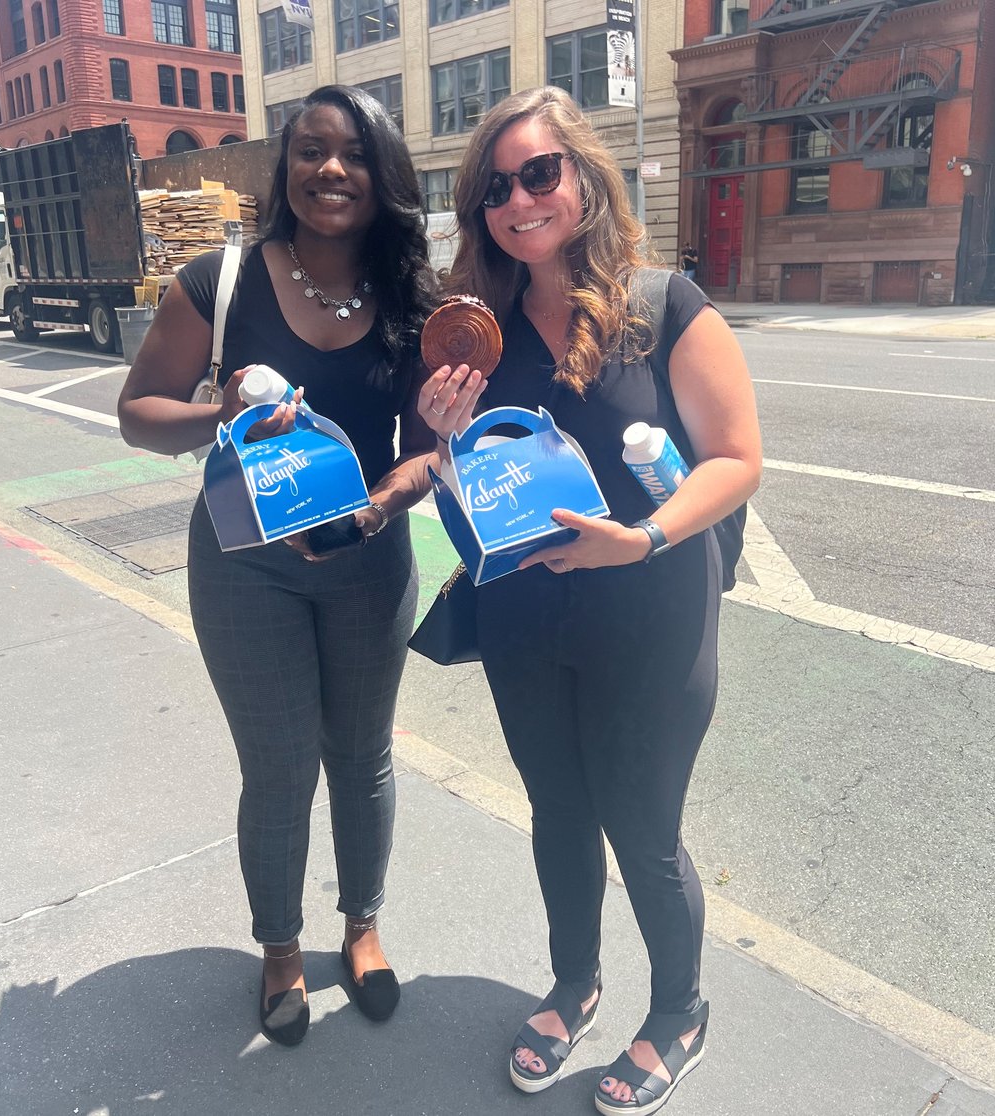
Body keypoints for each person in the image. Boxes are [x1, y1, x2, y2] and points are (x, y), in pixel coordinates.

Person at [417, 87, 761, 1114]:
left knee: (641, 826)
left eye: (539, 173)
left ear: (581, 179)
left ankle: (679, 1012)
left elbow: (738, 461)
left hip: (652, 608)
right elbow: (476, 487)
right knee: (558, 811)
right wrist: (443, 445)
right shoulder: (477, 334)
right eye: (495, 187)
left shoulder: (663, 306)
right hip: (527, 615)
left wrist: (644, 536)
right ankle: (575, 981)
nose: (519, 200)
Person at [118, 85, 438, 1045]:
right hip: (242, 565)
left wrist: (377, 510)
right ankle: (283, 950)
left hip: (367, 560)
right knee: (280, 764)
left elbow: (429, 448)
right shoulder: (219, 283)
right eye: (309, 151)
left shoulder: (411, 299)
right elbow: (139, 414)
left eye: (351, 155)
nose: (329, 170)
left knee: (363, 756)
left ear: (383, 178)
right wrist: (224, 413)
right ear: (283, 167)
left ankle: (364, 928)